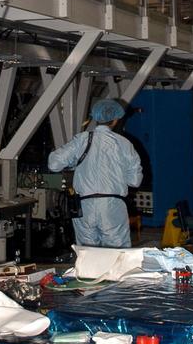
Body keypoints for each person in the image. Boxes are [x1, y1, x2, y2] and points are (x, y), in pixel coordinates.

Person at [47, 97, 142, 248]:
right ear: (116, 119)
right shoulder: (124, 144)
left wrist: (72, 164)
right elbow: (135, 181)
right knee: (117, 255)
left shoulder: (82, 139)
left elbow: (54, 164)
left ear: (95, 118)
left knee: (87, 255)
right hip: (112, 206)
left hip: (84, 206)